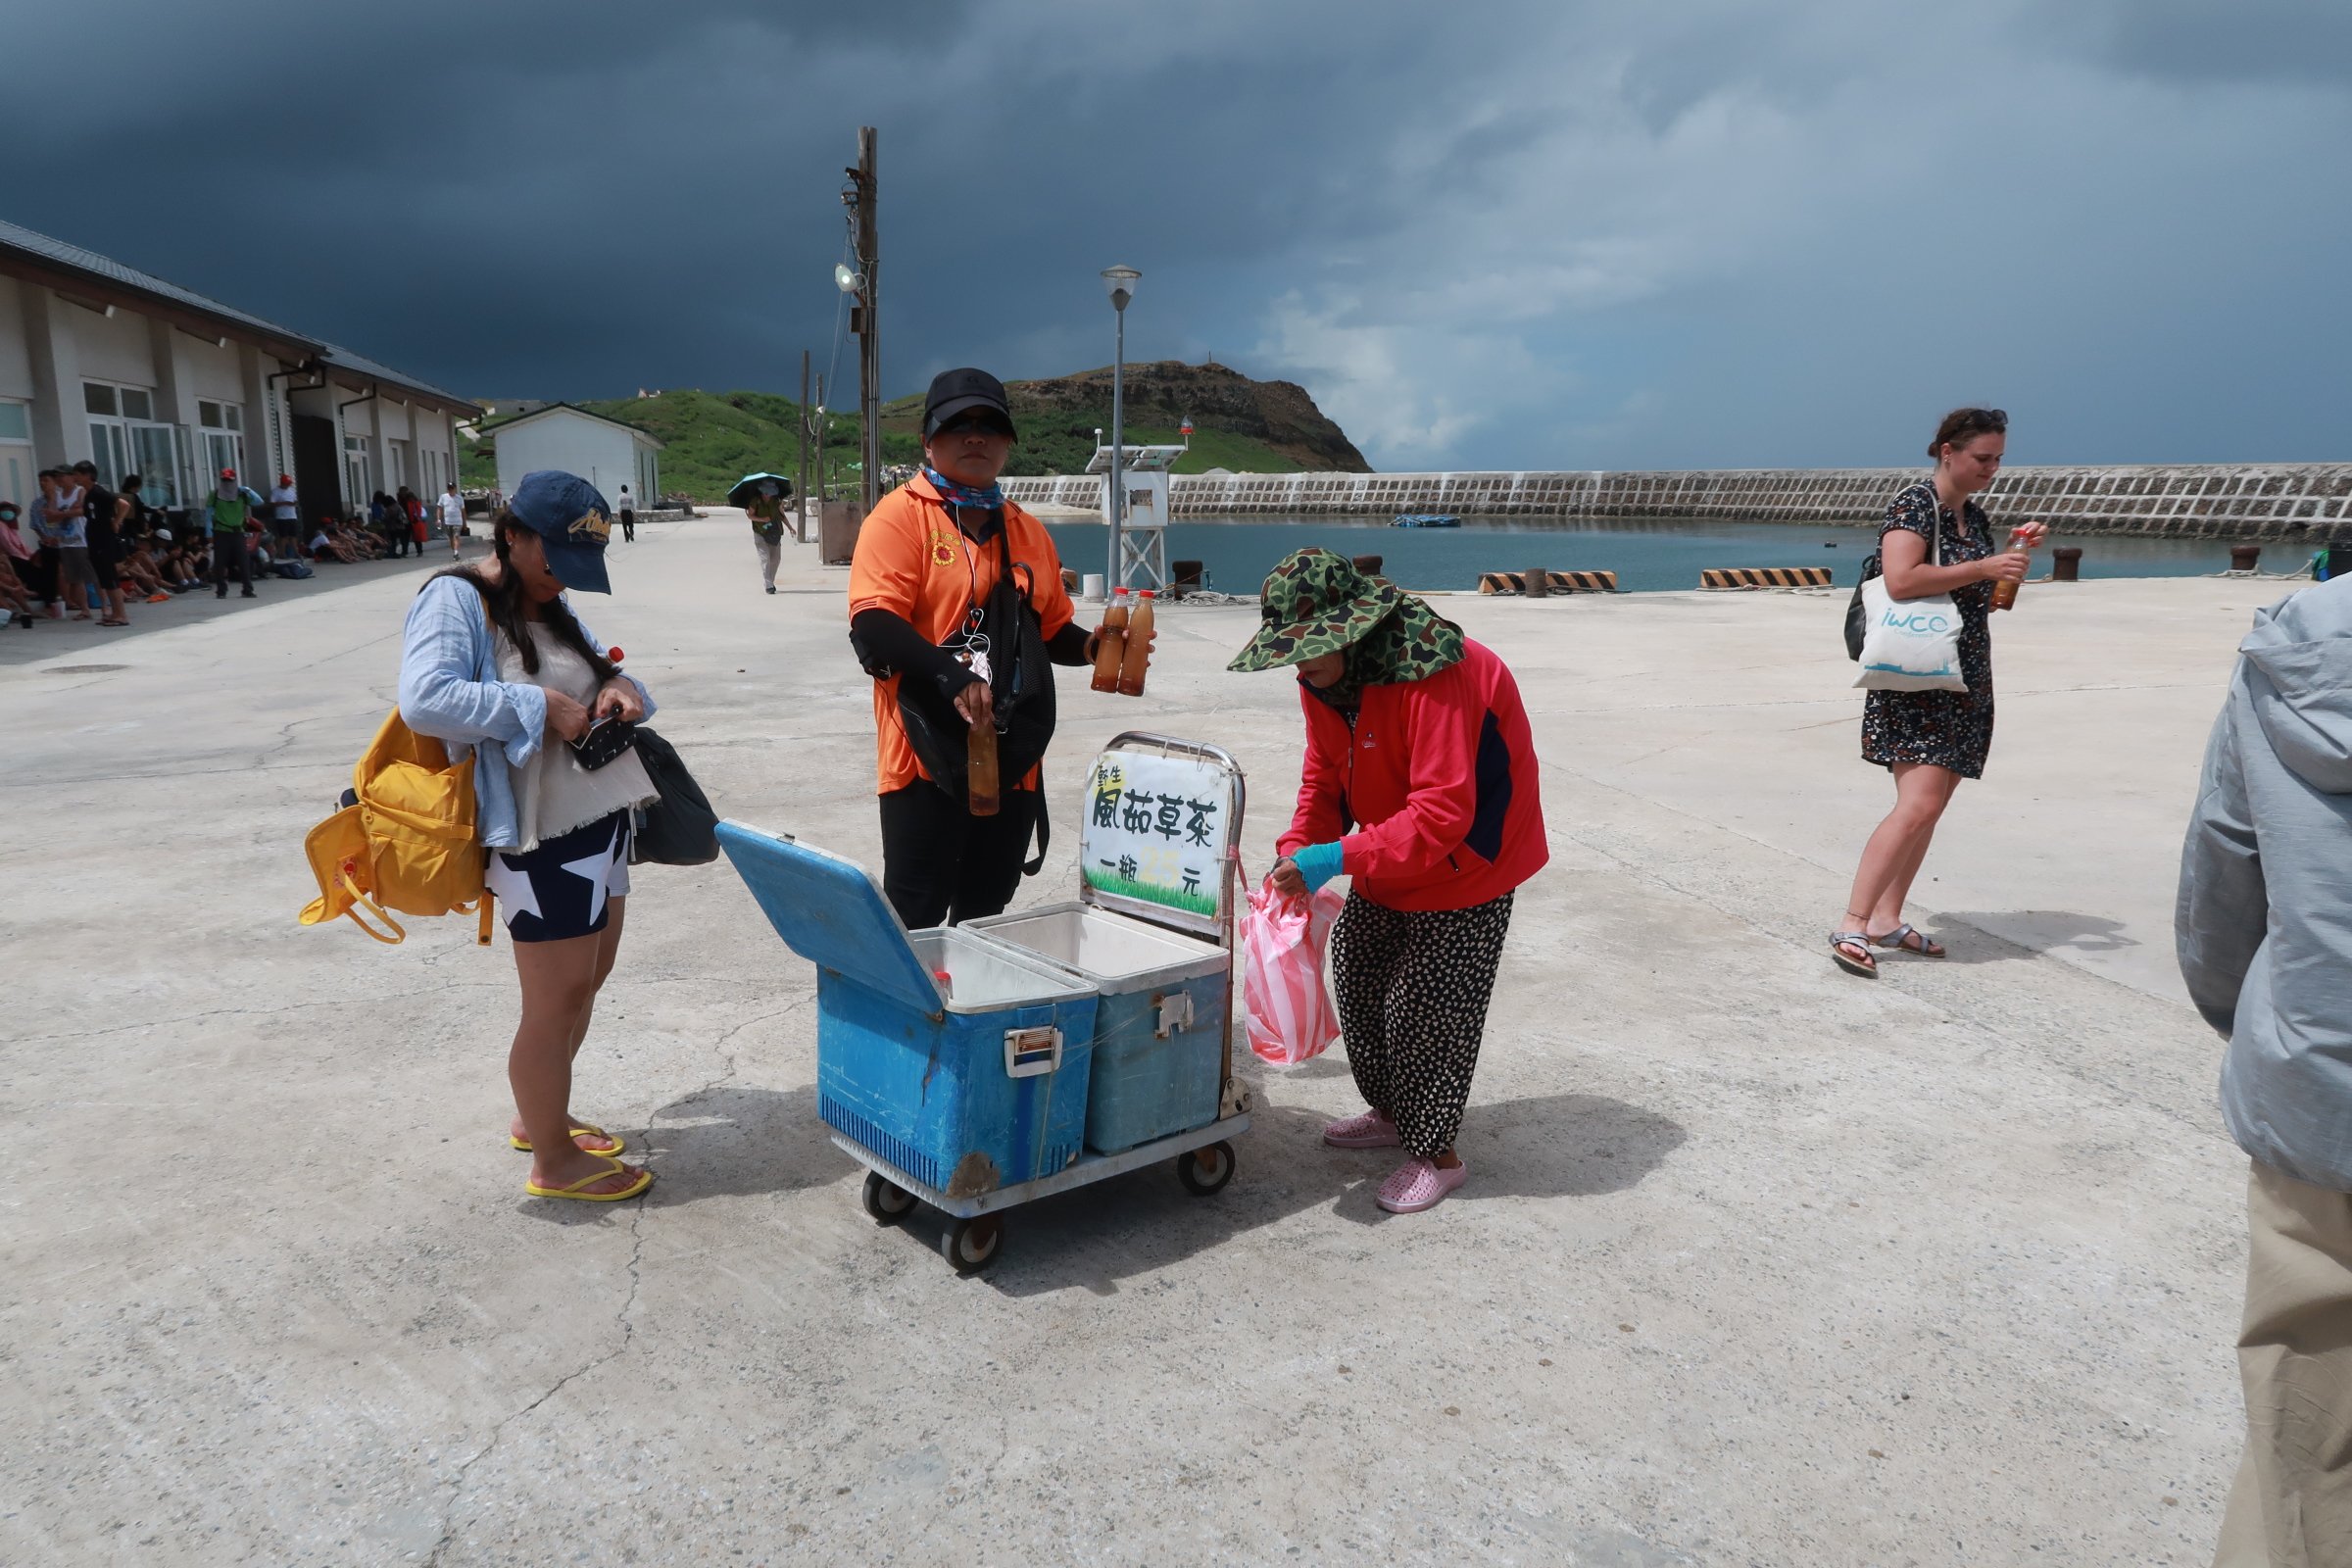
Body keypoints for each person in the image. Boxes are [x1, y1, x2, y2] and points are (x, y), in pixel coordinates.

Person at [1231, 549, 1548, 1214]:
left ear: (1354, 631)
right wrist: (1300, 848)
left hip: (1472, 862)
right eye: (1291, 651)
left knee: (1428, 1010)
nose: (1298, 665)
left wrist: (1332, 858)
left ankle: (1438, 1154)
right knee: (1358, 974)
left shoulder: (1433, 672)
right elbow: (1324, 779)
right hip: (1386, 854)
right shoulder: (1324, 679)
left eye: (1308, 647)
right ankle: (1392, 1112)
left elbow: (1441, 815)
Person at [397, 469, 658, 1203]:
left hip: (598, 817)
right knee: (556, 997)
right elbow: (424, 698)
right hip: (538, 835)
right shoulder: (456, 598)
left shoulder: (548, 600)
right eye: (554, 560)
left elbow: (609, 675)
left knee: (586, 980)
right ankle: (553, 1160)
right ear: (511, 535)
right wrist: (538, 706)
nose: (561, 579)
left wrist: (623, 691)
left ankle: (545, 1116)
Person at [2179, 573, 2352, 1565]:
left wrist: (2261, 1029)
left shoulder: (2301, 646)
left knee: (2304, 1443)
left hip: (2323, 1094)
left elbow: (2225, 861)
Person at [848, 367, 1116, 929]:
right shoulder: (900, 517)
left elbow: (1049, 631)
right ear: (928, 439)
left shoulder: (1027, 530)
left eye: (990, 426)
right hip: (922, 753)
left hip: (1012, 755)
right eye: (958, 425)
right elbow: (873, 622)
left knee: (987, 912)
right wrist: (953, 678)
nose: (976, 437)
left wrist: (1094, 646)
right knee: (915, 915)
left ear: (1008, 441)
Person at [1830, 409, 2046, 977]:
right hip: (1918, 677)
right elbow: (1901, 579)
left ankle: (1886, 917)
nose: (1992, 468)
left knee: (1933, 806)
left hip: (1963, 673)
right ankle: (1853, 923)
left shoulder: (1973, 516)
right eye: (1983, 458)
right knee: (1919, 803)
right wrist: (1984, 566)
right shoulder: (1914, 505)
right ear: (1948, 452)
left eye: (1998, 459)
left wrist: (2006, 565)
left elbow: (1977, 593)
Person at [74, 461, 131, 627]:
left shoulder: (99, 492)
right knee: (104, 580)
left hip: (104, 541)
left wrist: (116, 521)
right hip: (95, 540)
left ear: (87, 475)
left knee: (110, 578)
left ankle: (121, 615)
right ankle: (114, 613)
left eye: (77, 474)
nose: (75, 478)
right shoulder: (89, 494)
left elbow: (124, 504)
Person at [204, 468, 255, 599]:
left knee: (244, 562)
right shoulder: (215, 494)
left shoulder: (242, 494)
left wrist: (249, 490)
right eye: (224, 480)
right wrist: (208, 531)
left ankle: (247, 589)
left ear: (235, 480)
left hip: (238, 532)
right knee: (220, 563)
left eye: (229, 480)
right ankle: (221, 591)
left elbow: (258, 501)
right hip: (221, 531)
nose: (227, 483)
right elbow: (208, 515)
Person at [746, 480, 786, 592]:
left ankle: (770, 581)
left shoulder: (776, 500)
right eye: (766, 493)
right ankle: (769, 585)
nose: (768, 495)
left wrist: (790, 527)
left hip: (774, 532)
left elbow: (782, 516)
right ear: (762, 491)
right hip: (760, 532)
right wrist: (762, 519)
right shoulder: (755, 500)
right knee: (765, 559)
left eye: (770, 493)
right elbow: (750, 515)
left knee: (776, 559)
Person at [269, 473, 300, 560]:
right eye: (286, 484)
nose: (288, 485)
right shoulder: (276, 491)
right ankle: (282, 553)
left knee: (293, 536)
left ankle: (296, 553)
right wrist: (284, 503)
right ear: (282, 483)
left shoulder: (292, 490)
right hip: (282, 517)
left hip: (292, 515)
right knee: (284, 536)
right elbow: (272, 504)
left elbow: (295, 500)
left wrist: (294, 503)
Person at [438, 481, 466, 560]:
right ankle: (454, 551)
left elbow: (463, 511)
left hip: (457, 521)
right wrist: (438, 519)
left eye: (452, 488)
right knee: (451, 538)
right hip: (448, 521)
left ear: (455, 489)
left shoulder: (459, 498)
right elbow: (439, 508)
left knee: (456, 536)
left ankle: (456, 552)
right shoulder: (443, 497)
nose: (451, 490)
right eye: (449, 488)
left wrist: (464, 522)